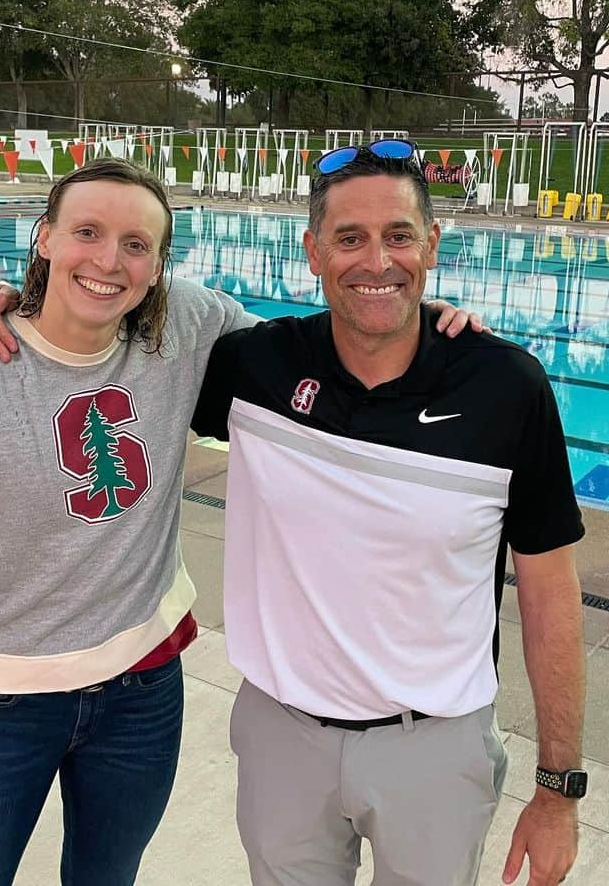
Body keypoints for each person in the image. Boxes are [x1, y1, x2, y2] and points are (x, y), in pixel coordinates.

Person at [0, 155, 481, 886]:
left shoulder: (185, 327)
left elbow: (332, 348)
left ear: (159, 265)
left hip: (141, 692)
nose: (109, 261)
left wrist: (426, 327)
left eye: (137, 245)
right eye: (87, 233)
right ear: (43, 238)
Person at [189, 143, 587, 886]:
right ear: (312, 251)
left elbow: (550, 593)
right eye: (350, 238)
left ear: (432, 244)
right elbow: (114, 328)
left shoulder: (506, 388)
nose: (377, 260)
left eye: (399, 235)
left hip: (434, 753)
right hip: (281, 739)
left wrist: (559, 790)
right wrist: (13, 304)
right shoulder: (257, 368)